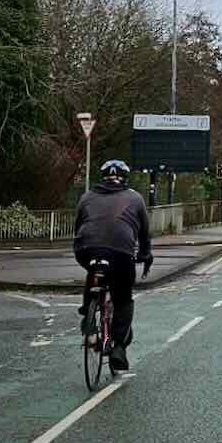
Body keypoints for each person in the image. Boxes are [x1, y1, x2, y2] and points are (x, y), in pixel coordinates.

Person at [74, 159, 152, 371]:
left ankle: (89, 327)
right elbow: (144, 234)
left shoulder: (87, 196)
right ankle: (118, 346)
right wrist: (145, 255)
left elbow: (78, 225)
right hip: (121, 252)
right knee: (123, 298)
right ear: (124, 179)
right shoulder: (135, 198)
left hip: (86, 248)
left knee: (93, 270)